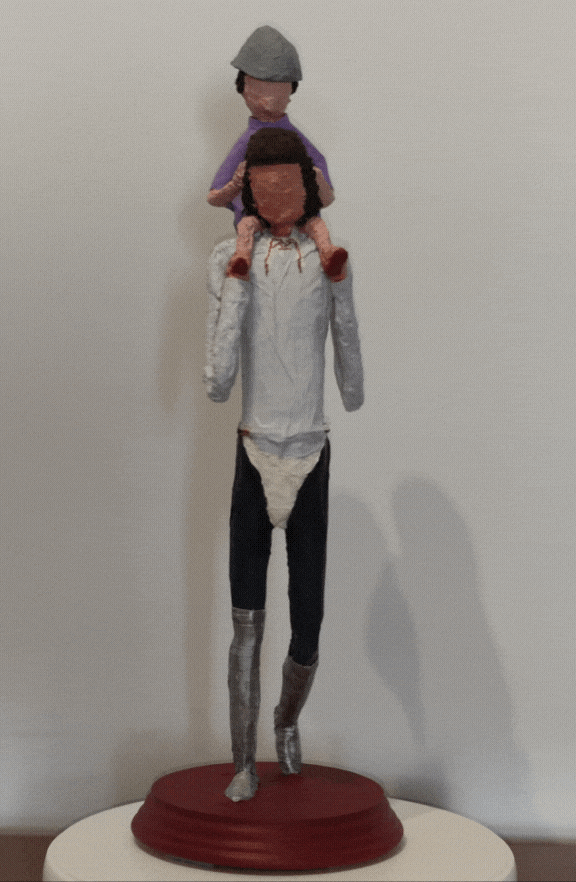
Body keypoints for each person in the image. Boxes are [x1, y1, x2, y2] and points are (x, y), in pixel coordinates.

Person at [205, 128, 364, 801]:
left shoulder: (328, 260)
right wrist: (239, 274)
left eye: (288, 185)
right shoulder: (225, 259)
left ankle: (286, 721)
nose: (277, 198)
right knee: (246, 617)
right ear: (249, 191)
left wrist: (353, 383)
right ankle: (244, 760)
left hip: (310, 452)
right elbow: (218, 378)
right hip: (253, 450)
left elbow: (349, 353)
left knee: (309, 620)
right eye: (263, 186)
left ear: (306, 189)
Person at [207, 26, 348, 282]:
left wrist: (317, 183)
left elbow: (325, 193)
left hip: (299, 221)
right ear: (244, 89)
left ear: (290, 91)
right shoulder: (245, 145)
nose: (267, 101)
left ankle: (328, 254)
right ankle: (242, 259)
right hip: (259, 219)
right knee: (247, 227)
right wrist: (235, 184)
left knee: (317, 227)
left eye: (275, 91)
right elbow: (214, 196)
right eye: (259, 91)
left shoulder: (299, 142)